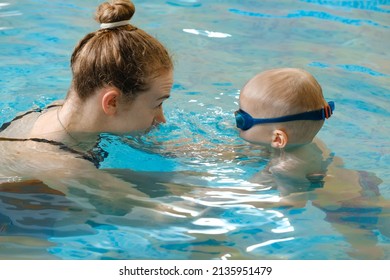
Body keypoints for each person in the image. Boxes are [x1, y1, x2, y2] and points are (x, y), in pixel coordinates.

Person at [0, 0, 174, 208]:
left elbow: (165, 149)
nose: (161, 119)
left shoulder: (62, 113)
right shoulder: (67, 167)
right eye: (157, 104)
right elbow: (159, 218)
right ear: (112, 102)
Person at [234, 67, 389, 259]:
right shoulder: (311, 141)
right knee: (384, 217)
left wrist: (239, 200)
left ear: (278, 139)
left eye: (241, 119)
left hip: (346, 209)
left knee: (366, 249)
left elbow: (294, 202)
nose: (235, 121)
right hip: (362, 183)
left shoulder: (286, 167)